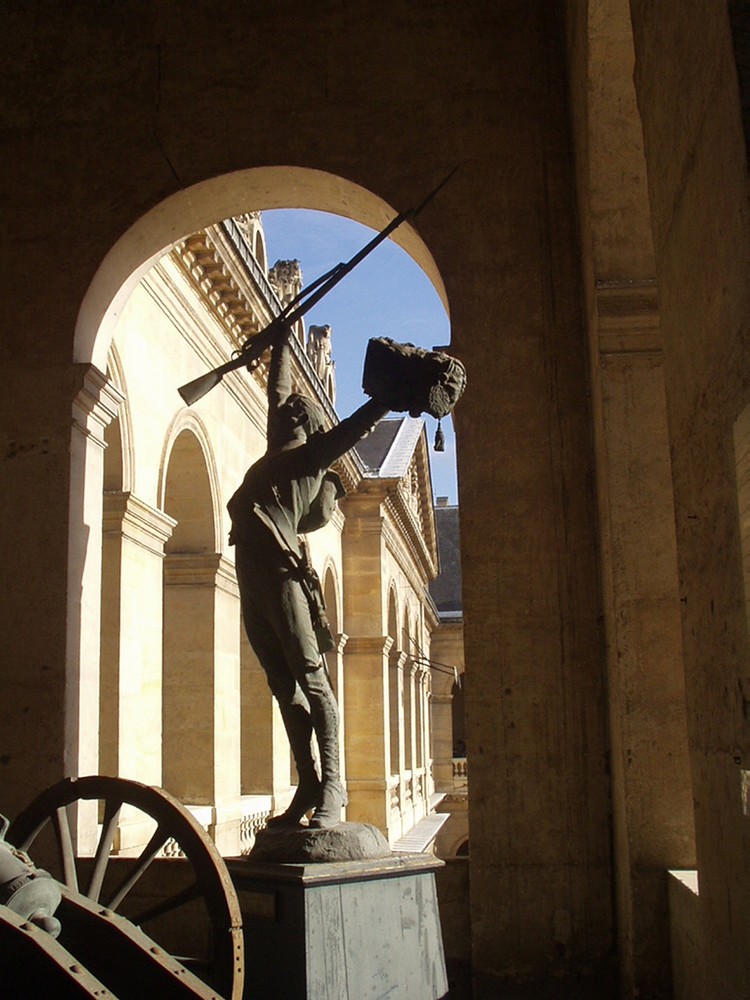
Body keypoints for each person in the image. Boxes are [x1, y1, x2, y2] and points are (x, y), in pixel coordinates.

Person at [228, 326, 389, 829]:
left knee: (312, 680)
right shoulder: (280, 447)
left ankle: (335, 787)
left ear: (311, 423)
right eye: (288, 410)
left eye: (300, 410)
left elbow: (355, 429)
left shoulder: (310, 460)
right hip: (251, 574)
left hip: (281, 575)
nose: (290, 409)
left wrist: (387, 399)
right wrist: (280, 342)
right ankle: (309, 782)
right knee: (282, 684)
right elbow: (276, 391)